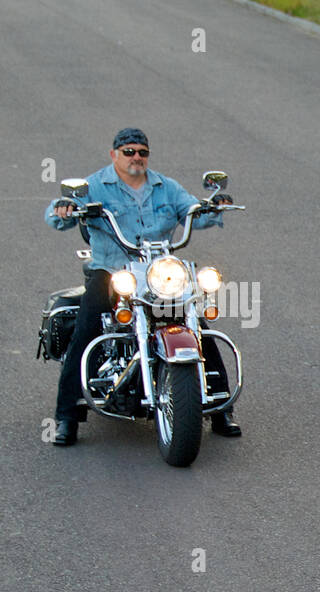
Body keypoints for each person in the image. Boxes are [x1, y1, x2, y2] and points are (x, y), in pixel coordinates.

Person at [45, 128, 238, 447]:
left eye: (142, 152)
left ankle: (221, 409)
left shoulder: (165, 187)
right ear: (114, 155)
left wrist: (213, 205)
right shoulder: (95, 186)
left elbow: (193, 211)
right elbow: (58, 214)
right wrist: (63, 209)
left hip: (156, 273)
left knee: (198, 327)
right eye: (129, 151)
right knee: (87, 330)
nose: (136, 157)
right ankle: (67, 417)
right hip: (111, 271)